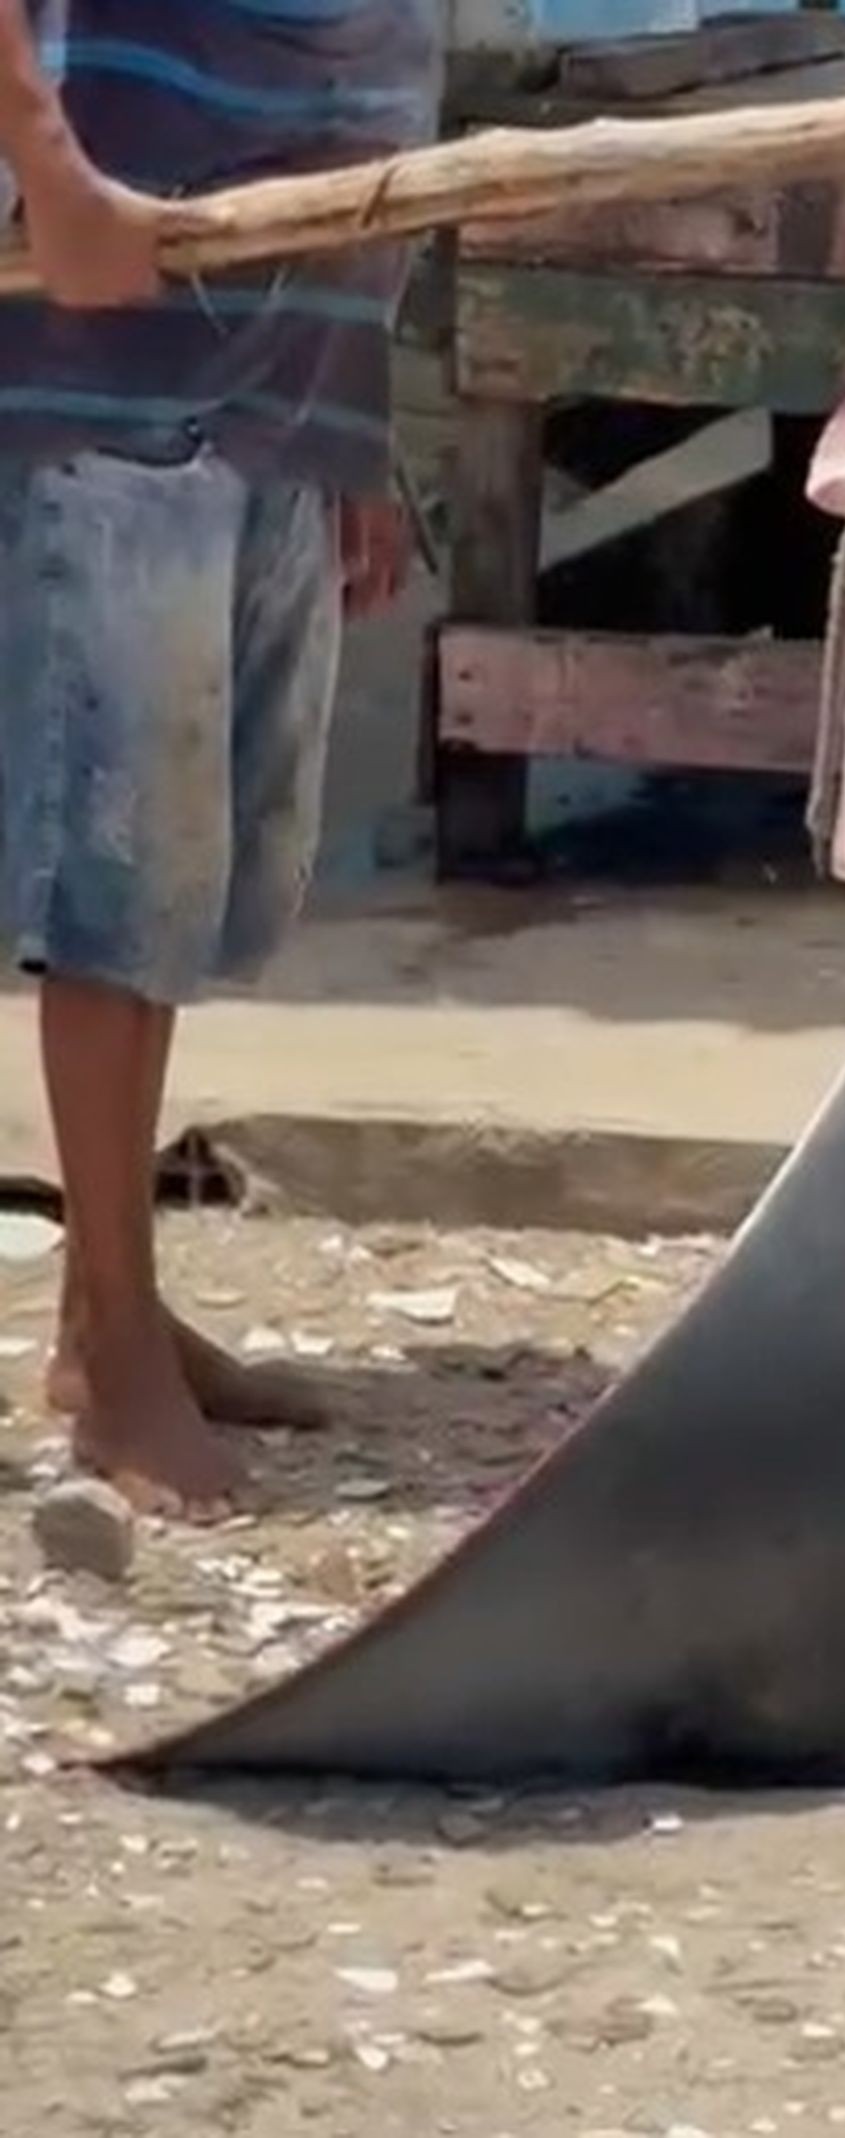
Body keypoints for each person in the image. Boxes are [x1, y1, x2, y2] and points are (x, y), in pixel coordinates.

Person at [0, 1, 439, 1514]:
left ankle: (108, 1304)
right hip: (114, 365)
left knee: (183, 873)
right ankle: (116, 1348)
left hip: (277, 374)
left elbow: (369, 101)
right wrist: (50, 169)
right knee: (119, 875)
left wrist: (354, 418)